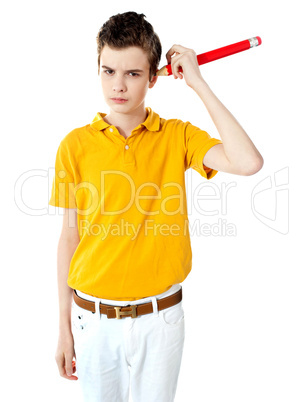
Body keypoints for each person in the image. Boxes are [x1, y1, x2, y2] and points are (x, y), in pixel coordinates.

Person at [49, 11, 263, 402]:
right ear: (97, 69)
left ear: (153, 77)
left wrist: (198, 82)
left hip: (161, 319)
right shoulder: (75, 146)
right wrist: (63, 327)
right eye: (108, 71)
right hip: (93, 321)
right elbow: (69, 238)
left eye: (132, 74)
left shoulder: (178, 136)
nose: (118, 85)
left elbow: (248, 162)